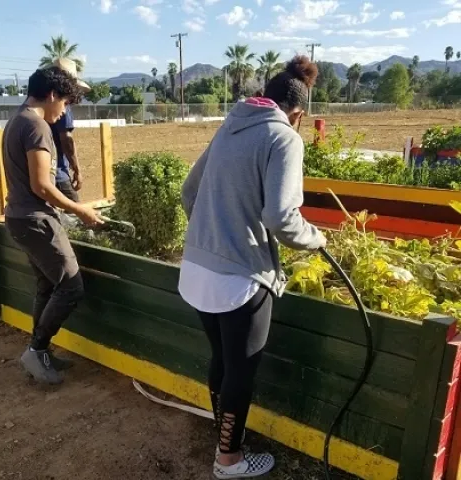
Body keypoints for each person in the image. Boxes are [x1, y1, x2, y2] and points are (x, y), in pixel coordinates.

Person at [178, 55, 326, 479]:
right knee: (241, 369)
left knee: (222, 360)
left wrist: (215, 234)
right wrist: (317, 239)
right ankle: (229, 460)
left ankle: (223, 441)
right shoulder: (284, 137)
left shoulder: (230, 125)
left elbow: (190, 192)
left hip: (197, 272)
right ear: (296, 112)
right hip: (239, 281)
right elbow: (281, 218)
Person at [2, 66, 103, 385]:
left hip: (19, 217)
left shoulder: (17, 119)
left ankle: (40, 352)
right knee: (71, 286)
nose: (65, 111)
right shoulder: (37, 126)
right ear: (51, 95)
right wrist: (80, 209)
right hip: (37, 220)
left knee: (47, 285)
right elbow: (42, 186)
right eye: (66, 102)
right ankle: (36, 349)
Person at [50, 58, 91, 202]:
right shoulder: (62, 106)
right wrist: (77, 171)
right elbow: (66, 139)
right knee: (77, 216)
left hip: (43, 175)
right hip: (57, 173)